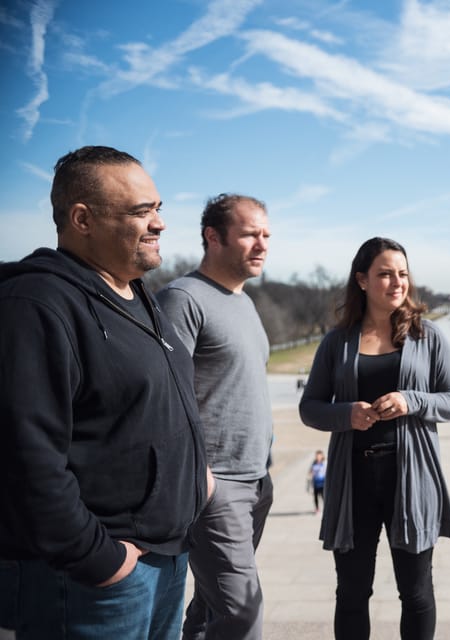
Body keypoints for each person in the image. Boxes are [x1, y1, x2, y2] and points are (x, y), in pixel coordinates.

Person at [0, 145, 211, 639]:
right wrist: (99, 559)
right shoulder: (36, 305)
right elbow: (25, 459)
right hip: (94, 580)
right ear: (82, 219)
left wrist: (196, 480)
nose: (158, 222)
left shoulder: (135, 292)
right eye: (141, 211)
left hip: (165, 556)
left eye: (158, 208)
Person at [299, 237, 450, 640]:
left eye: (403, 274)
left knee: (416, 591)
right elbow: (310, 407)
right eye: (385, 274)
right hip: (353, 478)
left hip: (410, 477)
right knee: (353, 592)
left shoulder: (429, 337)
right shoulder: (337, 342)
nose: (397, 283)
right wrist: (347, 414)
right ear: (362, 280)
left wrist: (412, 400)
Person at [156, 194, 274, 640]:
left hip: (257, 480)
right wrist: (201, 476)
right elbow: (165, 397)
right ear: (213, 236)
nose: (261, 244)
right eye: (249, 234)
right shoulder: (182, 299)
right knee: (243, 614)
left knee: (210, 608)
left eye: (265, 235)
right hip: (216, 485)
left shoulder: (244, 301)